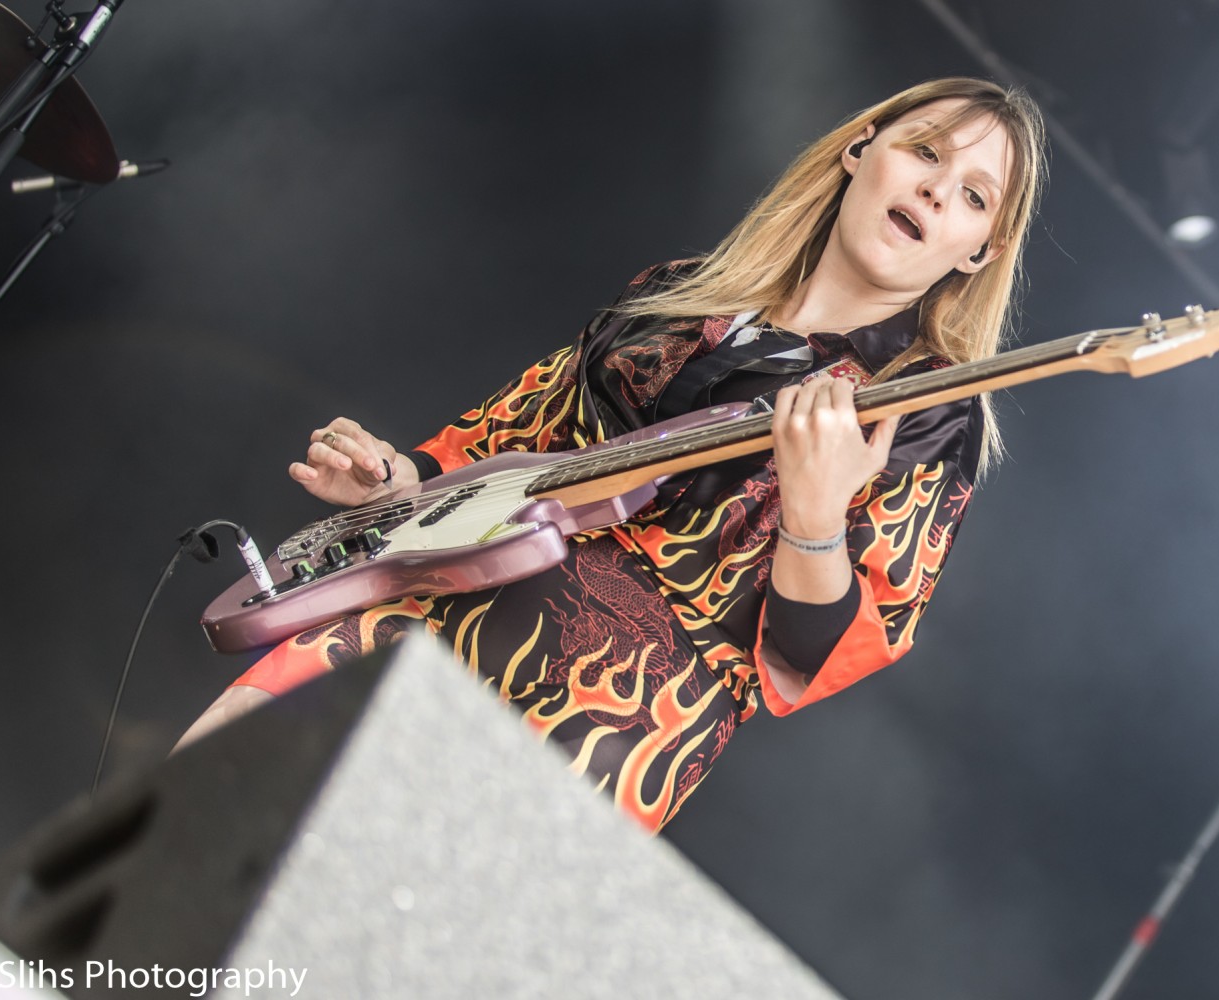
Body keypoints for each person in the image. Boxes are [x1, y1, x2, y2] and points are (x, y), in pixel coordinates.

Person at [177, 77, 1047, 833]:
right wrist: (394, 482)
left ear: (982, 251)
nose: (937, 193)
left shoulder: (921, 408)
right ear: (862, 151)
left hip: (595, 723)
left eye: (975, 197)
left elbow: (822, 646)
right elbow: (499, 448)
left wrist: (815, 520)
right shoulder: (672, 293)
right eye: (924, 152)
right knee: (169, 858)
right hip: (414, 618)